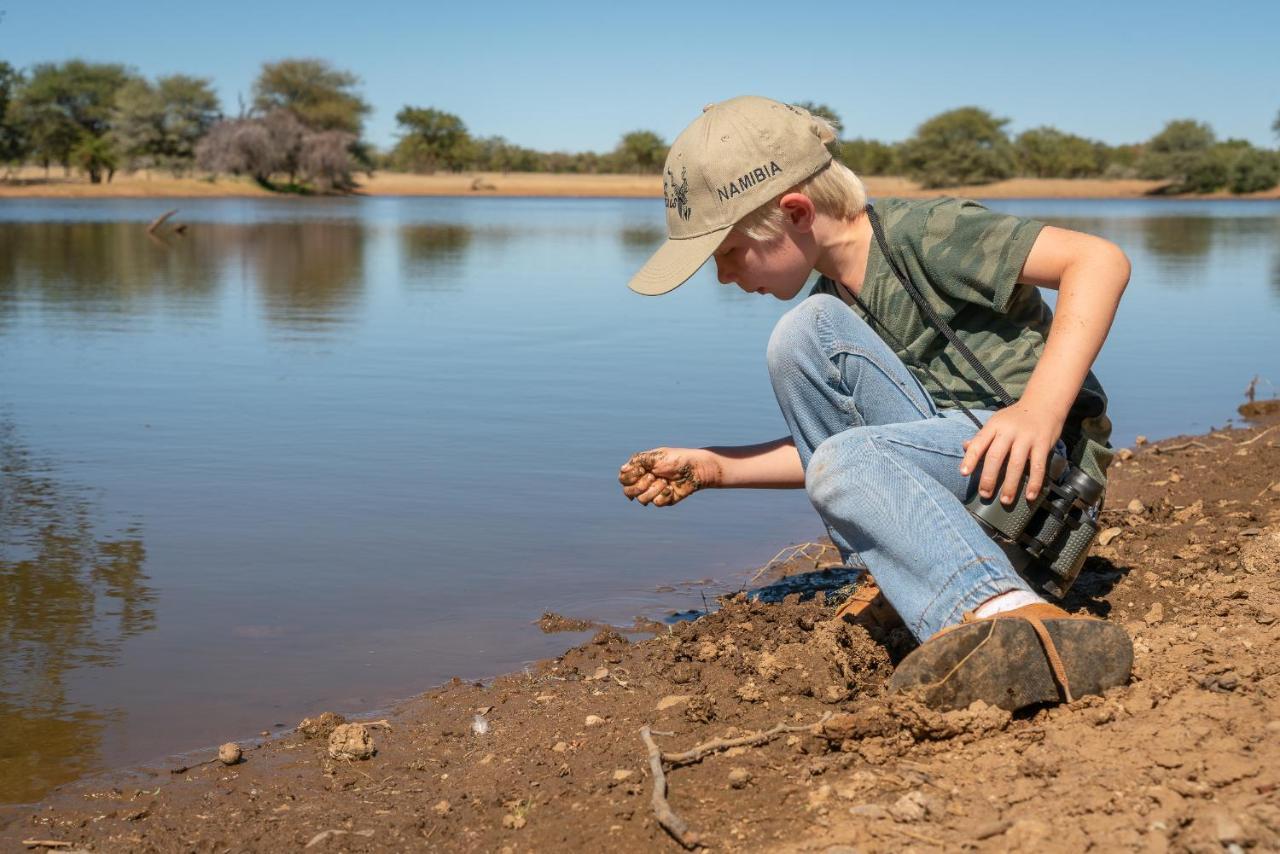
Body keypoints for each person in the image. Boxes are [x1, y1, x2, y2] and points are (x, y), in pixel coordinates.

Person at [617, 96, 1133, 712]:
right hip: (964, 471)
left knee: (822, 384)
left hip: (1035, 482)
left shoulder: (925, 233)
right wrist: (716, 468)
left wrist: (1039, 411)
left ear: (796, 212)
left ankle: (1013, 617)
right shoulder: (836, 302)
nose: (724, 276)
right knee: (803, 336)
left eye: (727, 252)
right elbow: (868, 458)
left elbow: (1099, 259)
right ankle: (932, 579)